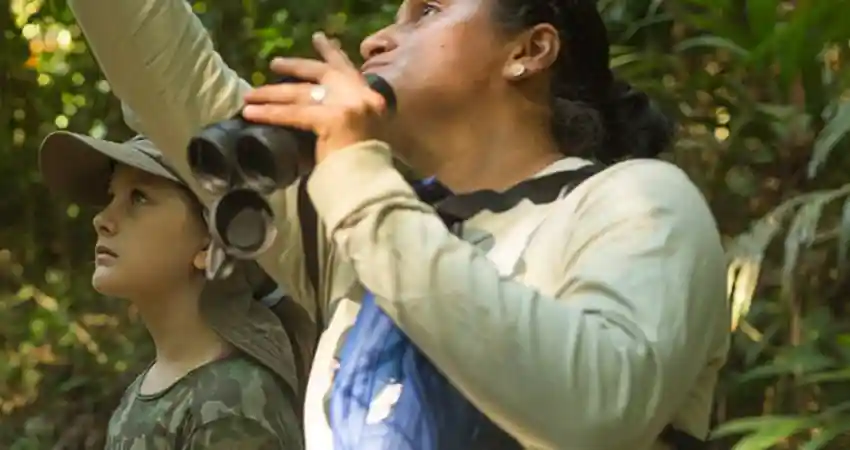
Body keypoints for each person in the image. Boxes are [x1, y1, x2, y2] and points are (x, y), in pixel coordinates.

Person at [66, 0, 731, 448]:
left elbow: (598, 410)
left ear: (530, 49)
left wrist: (355, 173)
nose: (374, 40)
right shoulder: (359, 235)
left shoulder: (636, 201)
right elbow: (165, 75)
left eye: (428, 11)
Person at [38, 134, 304, 449]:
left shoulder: (229, 403)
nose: (101, 219)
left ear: (210, 245)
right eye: (112, 196)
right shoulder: (152, 389)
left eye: (139, 198)